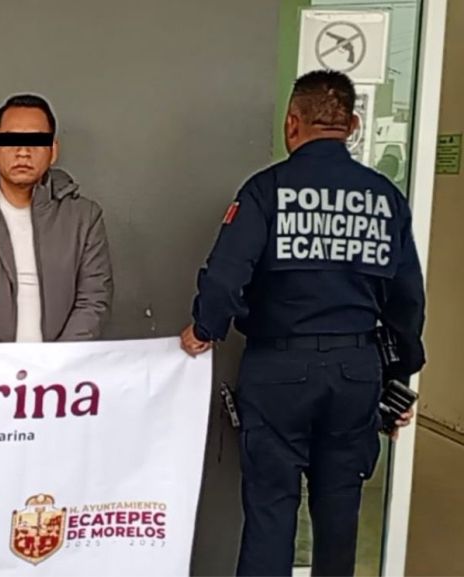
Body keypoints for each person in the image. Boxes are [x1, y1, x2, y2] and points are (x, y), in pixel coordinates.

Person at [179, 70, 424, 576]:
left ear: (292, 123)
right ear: (353, 125)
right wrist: (398, 378)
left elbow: (224, 278)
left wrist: (205, 329)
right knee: (339, 516)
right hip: (356, 372)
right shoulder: (385, 198)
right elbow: (407, 301)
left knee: (270, 514)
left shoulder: (266, 191)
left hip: (278, 371)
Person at [0, 94, 112, 342]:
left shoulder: (85, 217)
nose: (23, 152)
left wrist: (58, 361)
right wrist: (3, 362)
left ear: (53, 151)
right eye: (11, 141)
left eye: (36, 142)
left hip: (64, 366)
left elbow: (94, 301)